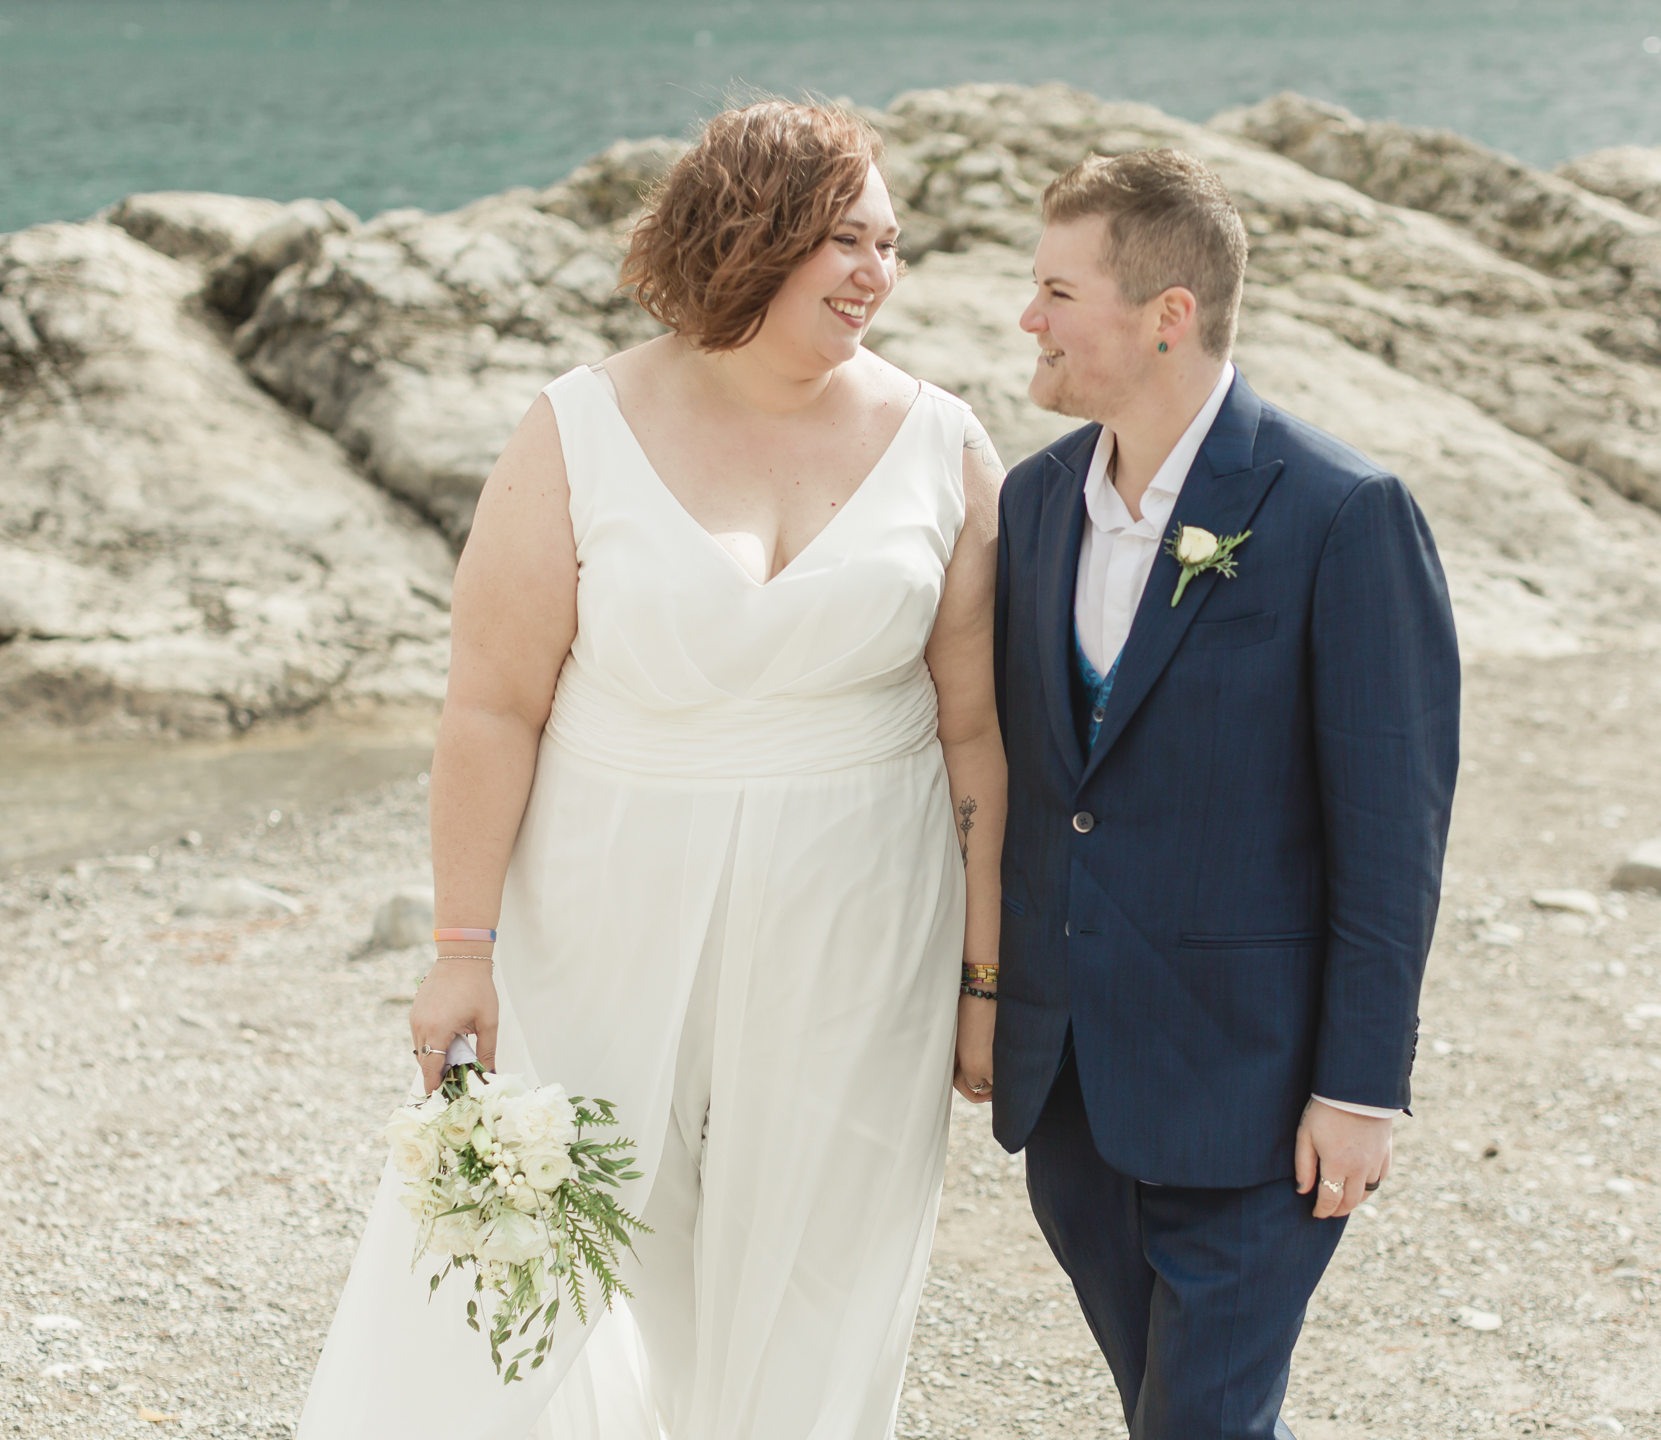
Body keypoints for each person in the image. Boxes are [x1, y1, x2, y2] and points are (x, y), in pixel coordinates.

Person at [297, 99, 1007, 1440]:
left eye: (891, 243)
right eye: (843, 237)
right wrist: (462, 947)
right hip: (600, 907)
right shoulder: (578, 428)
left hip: (862, 918)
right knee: (546, 1251)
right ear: (751, 232)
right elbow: (492, 708)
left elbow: (974, 732)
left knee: (826, 1266)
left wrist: (985, 978)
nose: (876, 273)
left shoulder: (946, 446)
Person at [988, 149, 1460, 1438]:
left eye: (1057, 290)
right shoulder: (1032, 508)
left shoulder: (1341, 511)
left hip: (1260, 1100)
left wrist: (1362, 1087)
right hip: (1077, 1093)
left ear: (1167, 314)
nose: (1029, 318)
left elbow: (1391, 830)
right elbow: (1034, 796)